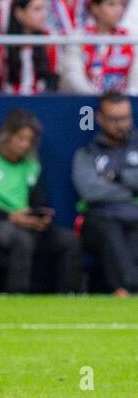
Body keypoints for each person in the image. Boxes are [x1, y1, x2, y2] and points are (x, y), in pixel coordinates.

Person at [0, 109, 82, 294]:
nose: (25, 145)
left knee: (70, 240)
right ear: (6, 136)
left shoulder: (32, 165)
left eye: (30, 140)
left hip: (24, 224)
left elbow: (39, 200)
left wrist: (39, 218)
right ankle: (18, 297)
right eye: (20, 138)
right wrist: (11, 217)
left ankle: (69, 297)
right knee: (21, 239)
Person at [73, 92, 138, 296]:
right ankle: (128, 289)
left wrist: (117, 176)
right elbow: (90, 191)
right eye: (115, 119)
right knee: (108, 230)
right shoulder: (87, 154)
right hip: (100, 218)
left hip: (134, 216)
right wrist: (131, 189)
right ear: (99, 118)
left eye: (125, 118)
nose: (121, 125)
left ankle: (124, 290)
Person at [62, 0, 138, 95]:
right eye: (111, 4)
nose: (118, 10)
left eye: (120, 5)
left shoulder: (130, 38)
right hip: (85, 104)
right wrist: (96, 98)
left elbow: (136, 77)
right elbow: (73, 76)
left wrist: (123, 100)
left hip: (121, 104)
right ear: (95, 8)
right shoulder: (79, 37)